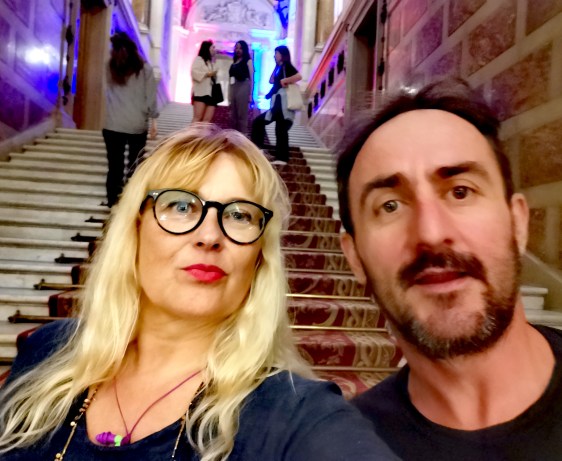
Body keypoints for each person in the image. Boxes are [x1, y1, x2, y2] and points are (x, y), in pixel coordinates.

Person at [0, 124, 397, 460]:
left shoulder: (292, 412)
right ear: (135, 228)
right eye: (181, 206)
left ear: (259, 257)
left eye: (239, 215)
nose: (209, 235)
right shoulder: (48, 352)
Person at [336, 77, 562, 460]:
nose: (430, 233)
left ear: (517, 224)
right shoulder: (342, 449)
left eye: (461, 191)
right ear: (355, 257)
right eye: (390, 206)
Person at [102, 31, 159, 208]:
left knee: (115, 166)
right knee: (135, 165)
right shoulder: (145, 69)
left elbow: (107, 91)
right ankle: (130, 199)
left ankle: (113, 200)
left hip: (112, 123)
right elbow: (150, 98)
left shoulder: (109, 67)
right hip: (136, 124)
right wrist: (153, 120)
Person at [251, 45, 301, 165]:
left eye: (276, 53)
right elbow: (272, 81)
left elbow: (299, 76)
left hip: (283, 103)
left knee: (278, 128)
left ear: (282, 54)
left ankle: (281, 157)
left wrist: (285, 80)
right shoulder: (280, 67)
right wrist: (276, 65)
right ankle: (277, 155)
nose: (274, 55)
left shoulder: (287, 65)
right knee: (276, 128)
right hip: (278, 103)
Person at [228, 40, 254, 135]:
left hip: (244, 87)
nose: (238, 50)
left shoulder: (248, 61)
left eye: (240, 48)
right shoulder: (234, 62)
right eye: (236, 48)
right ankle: (234, 136)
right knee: (233, 115)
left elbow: (252, 78)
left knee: (242, 114)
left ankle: (243, 136)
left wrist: (250, 94)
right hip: (234, 87)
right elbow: (231, 79)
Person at [191, 40, 218, 123]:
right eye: (212, 47)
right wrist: (206, 74)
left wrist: (214, 61)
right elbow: (194, 73)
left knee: (207, 120)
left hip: (212, 93)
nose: (214, 49)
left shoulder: (211, 62)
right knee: (198, 117)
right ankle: (192, 132)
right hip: (201, 92)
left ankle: (203, 132)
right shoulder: (199, 59)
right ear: (207, 48)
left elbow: (215, 74)